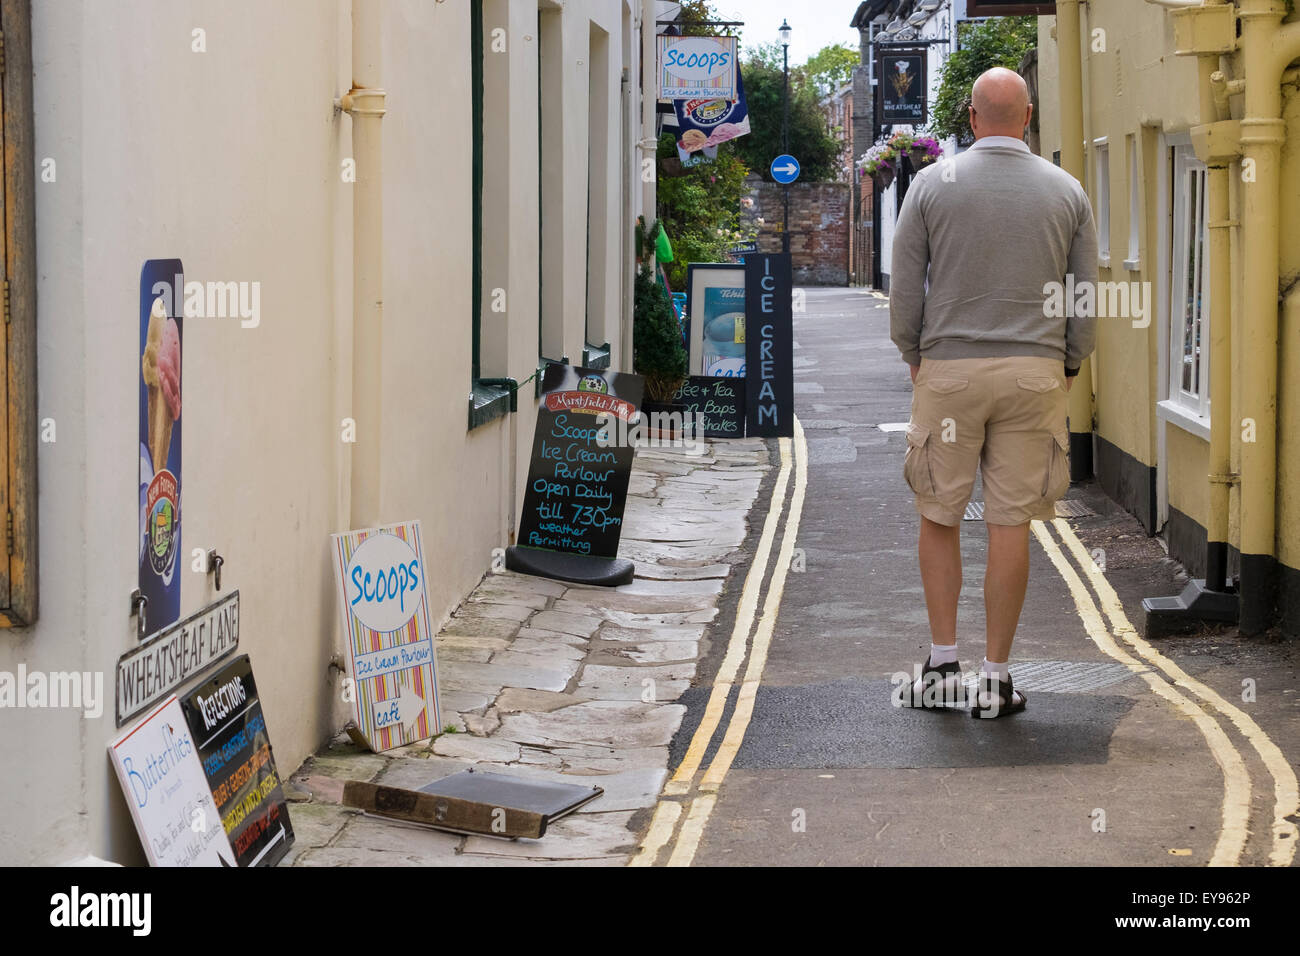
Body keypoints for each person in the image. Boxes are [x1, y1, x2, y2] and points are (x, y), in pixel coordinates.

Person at [889, 67, 1098, 718]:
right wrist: (1068, 363)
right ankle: (998, 678)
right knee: (1011, 522)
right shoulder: (1067, 191)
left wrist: (915, 357)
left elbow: (904, 289)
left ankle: (944, 664)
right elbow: (1083, 296)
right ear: (1028, 116)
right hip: (1032, 374)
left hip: (949, 372)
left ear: (973, 119)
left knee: (939, 511)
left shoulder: (929, 185)